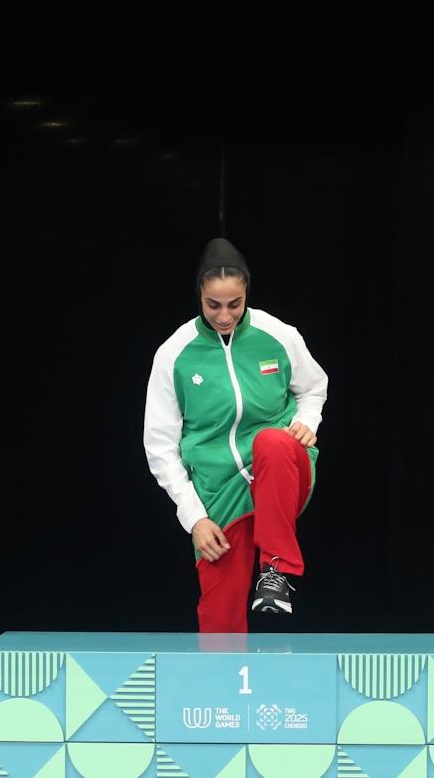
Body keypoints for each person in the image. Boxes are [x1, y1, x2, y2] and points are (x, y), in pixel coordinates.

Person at [144, 238, 328, 632]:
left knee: (271, 440)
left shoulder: (278, 334)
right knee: (219, 615)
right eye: (214, 305)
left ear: (247, 295)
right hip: (219, 493)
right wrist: (194, 518)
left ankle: (275, 570)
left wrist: (307, 421)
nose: (225, 315)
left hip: (281, 472)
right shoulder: (174, 354)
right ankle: (221, 674)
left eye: (235, 304)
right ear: (199, 295)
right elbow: (159, 445)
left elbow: (314, 387)